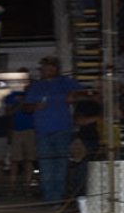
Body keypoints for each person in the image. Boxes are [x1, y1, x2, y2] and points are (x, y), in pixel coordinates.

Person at [22, 56, 93, 202]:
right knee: (46, 165)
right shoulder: (36, 86)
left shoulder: (65, 82)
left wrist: (73, 96)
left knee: (61, 164)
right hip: (43, 131)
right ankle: (50, 198)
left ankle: (59, 197)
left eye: (51, 67)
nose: (47, 70)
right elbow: (26, 107)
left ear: (56, 68)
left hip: (62, 129)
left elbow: (86, 94)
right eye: (45, 67)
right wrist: (36, 106)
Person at [5, 70, 36, 194]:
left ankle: (28, 184)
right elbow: (8, 112)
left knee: (29, 159)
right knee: (15, 160)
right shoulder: (12, 95)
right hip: (16, 130)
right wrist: (19, 102)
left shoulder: (33, 93)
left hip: (31, 129)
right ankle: (12, 185)